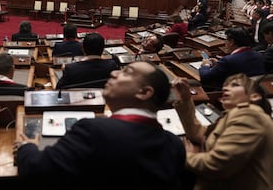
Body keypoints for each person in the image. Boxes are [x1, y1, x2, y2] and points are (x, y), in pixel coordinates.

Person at [14, 61, 186, 189]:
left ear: (144, 92)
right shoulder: (175, 145)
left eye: (127, 72)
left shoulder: (93, 130)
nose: (113, 73)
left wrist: (26, 147)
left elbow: (36, 171)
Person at [173, 73, 273, 190]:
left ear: (254, 96)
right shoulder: (234, 116)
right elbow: (201, 134)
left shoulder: (250, 116)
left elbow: (215, 165)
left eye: (235, 85)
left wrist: (187, 156)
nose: (225, 88)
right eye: (225, 86)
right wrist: (185, 99)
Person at [199, 26, 265, 91]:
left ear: (231, 42)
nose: (225, 43)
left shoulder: (228, 60)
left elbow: (206, 77)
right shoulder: (259, 55)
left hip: (225, 92)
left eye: (226, 40)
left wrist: (206, 65)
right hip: (251, 91)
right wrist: (219, 63)